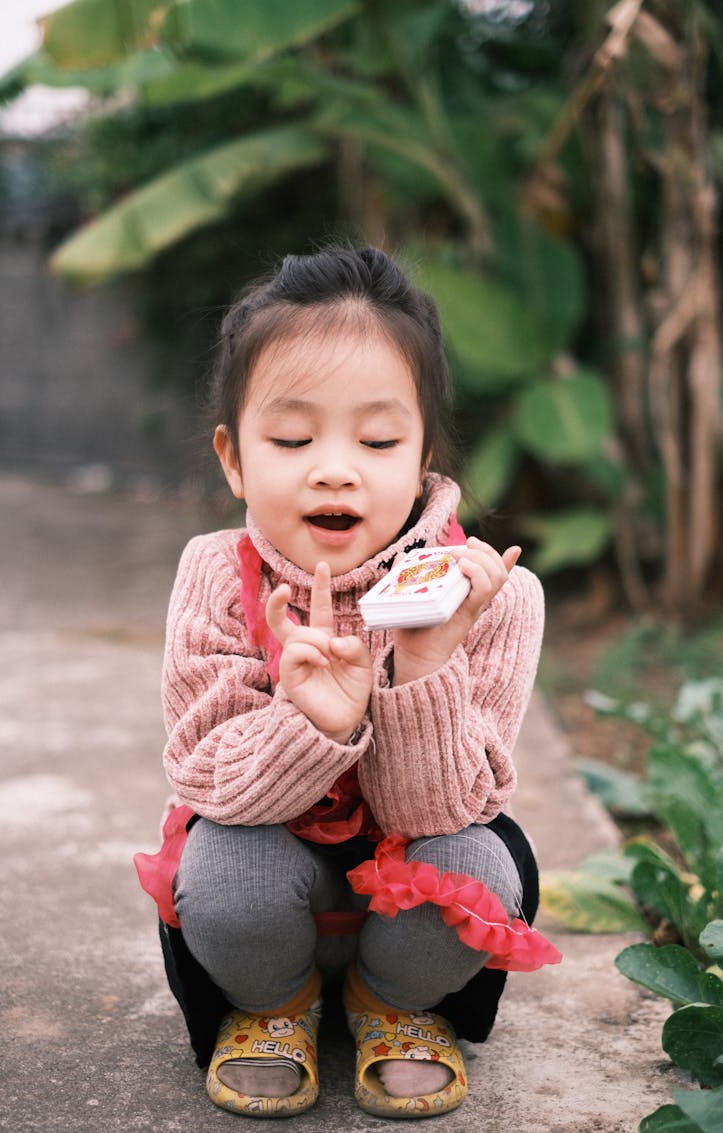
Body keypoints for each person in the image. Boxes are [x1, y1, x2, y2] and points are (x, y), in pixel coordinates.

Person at [134, 245, 561, 1120]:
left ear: (423, 453)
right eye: (292, 438)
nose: (335, 467)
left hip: (408, 901)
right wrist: (309, 724)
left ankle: (389, 1002)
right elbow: (204, 774)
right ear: (234, 458)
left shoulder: (494, 597)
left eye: (377, 439)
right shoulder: (218, 573)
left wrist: (422, 670)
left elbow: (445, 814)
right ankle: (276, 1003)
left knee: (478, 864)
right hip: (267, 887)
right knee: (222, 874)